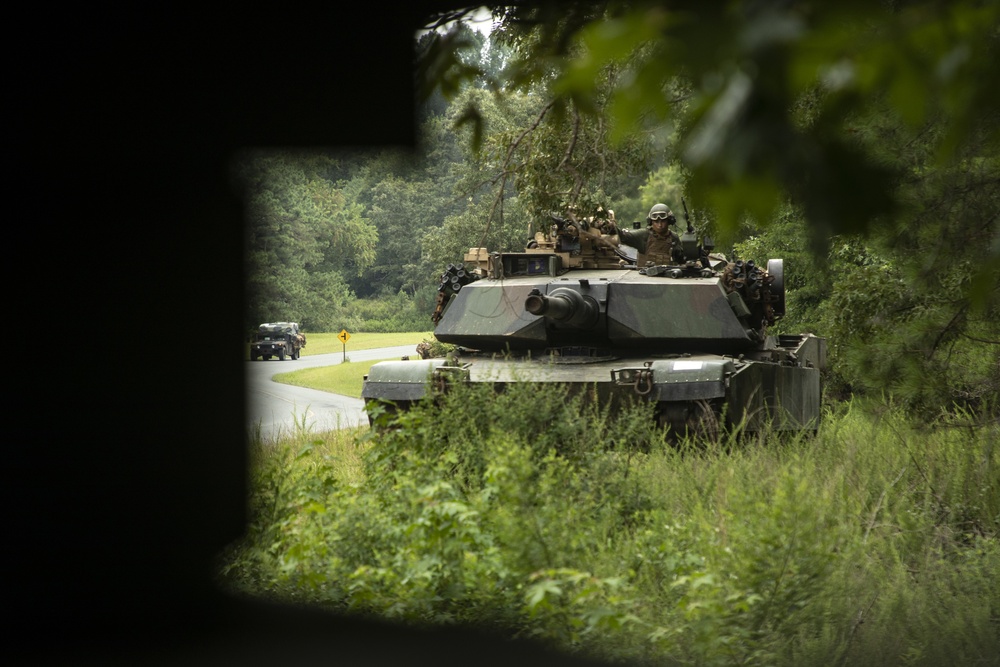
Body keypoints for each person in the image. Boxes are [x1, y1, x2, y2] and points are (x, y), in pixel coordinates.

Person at [613, 203, 683, 266]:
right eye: (656, 221)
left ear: (670, 220)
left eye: (663, 221)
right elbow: (623, 236)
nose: (660, 225)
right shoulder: (644, 235)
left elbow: (681, 260)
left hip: (667, 278)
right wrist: (611, 225)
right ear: (651, 222)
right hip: (644, 278)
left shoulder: (674, 237)